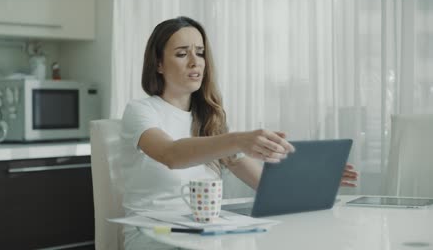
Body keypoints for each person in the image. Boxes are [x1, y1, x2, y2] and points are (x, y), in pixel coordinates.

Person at [119, 16, 358, 249]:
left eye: (200, 52)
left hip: (205, 235)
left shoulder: (210, 121)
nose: (195, 62)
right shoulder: (140, 111)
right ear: (158, 64)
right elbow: (171, 154)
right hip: (152, 235)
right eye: (182, 54)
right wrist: (237, 140)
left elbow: (266, 185)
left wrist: (317, 182)